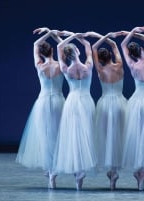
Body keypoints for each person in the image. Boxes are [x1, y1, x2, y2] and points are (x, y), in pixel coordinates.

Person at [16, 27, 65, 189]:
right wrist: (55, 34)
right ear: (52, 51)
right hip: (58, 101)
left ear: (42, 53)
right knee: (58, 134)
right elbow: (64, 47)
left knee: (46, 135)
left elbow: (36, 44)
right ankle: (55, 168)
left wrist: (48, 32)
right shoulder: (61, 65)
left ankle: (50, 171)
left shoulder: (39, 65)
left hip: (43, 102)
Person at [52, 31, 97, 190]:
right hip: (85, 101)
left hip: (72, 102)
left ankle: (76, 172)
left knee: (73, 136)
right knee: (85, 135)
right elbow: (87, 45)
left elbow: (59, 46)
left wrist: (69, 36)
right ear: (77, 52)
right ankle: (80, 172)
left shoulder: (65, 68)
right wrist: (77, 35)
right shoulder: (88, 65)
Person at [120, 26, 144, 190]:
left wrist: (131, 33)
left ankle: (139, 172)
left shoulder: (132, 65)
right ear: (142, 50)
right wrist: (139, 33)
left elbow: (122, 45)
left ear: (131, 54)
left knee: (138, 137)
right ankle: (143, 172)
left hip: (136, 102)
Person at [88, 31, 126, 190]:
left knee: (107, 137)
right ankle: (114, 170)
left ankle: (111, 172)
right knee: (118, 137)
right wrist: (110, 38)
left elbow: (93, 48)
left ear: (100, 60)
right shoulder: (119, 66)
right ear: (110, 55)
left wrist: (97, 36)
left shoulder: (100, 70)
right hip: (119, 103)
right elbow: (115, 45)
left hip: (104, 105)